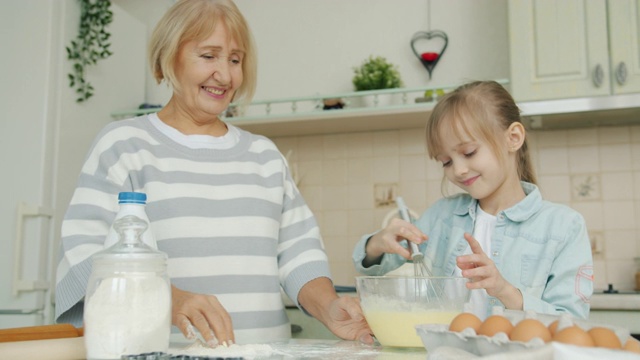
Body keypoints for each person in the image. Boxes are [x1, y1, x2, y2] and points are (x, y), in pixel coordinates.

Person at [55, 0, 373, 346]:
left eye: (235, 60)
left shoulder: (264, 155)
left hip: (264, 355)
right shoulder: (125, 145)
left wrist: (329, 307)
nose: (225, 75)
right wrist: (170, 299)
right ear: (168, 57)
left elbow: (299, 253)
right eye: (208, 56)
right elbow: (85, 257)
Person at [352, 81, 593, 320]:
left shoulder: (564, 227)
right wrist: (376, 244)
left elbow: (572, 322)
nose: (458, 170)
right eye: (446, 161)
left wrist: (505, 291)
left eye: (469, 153)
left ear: (514, 138)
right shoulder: (441, 217)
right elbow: (383, 265)